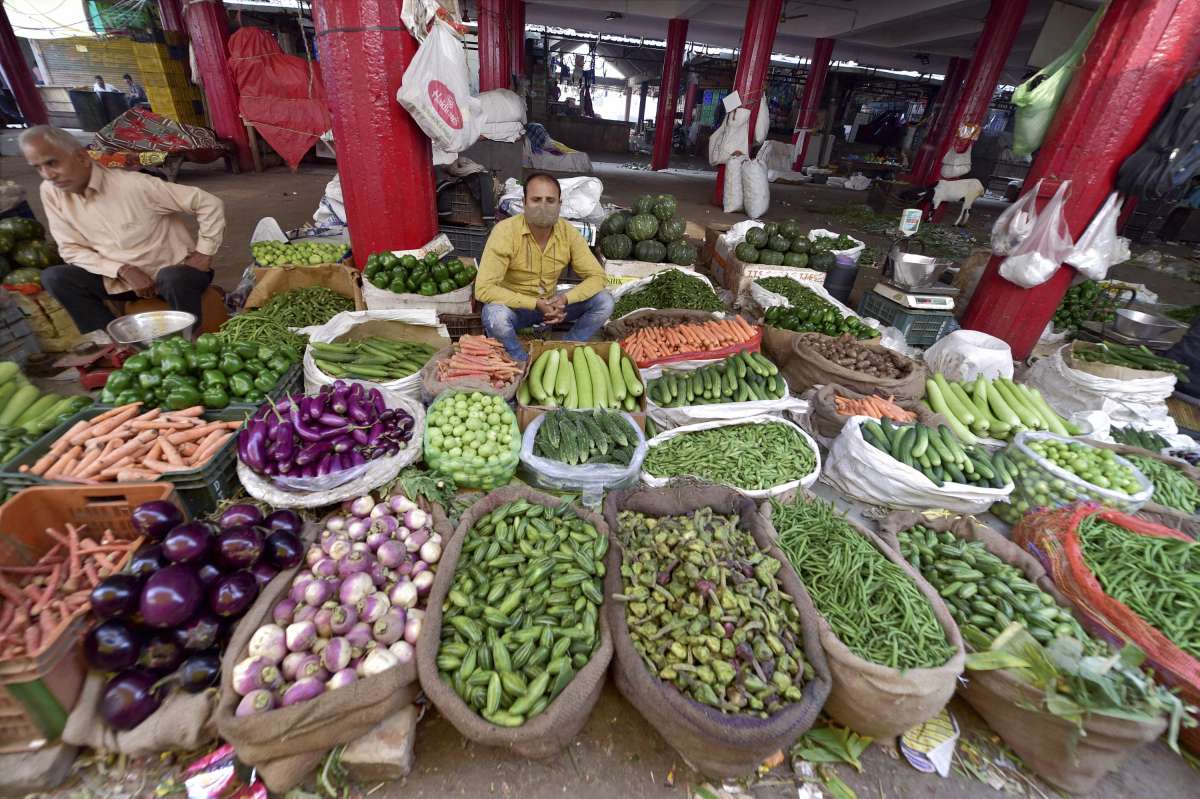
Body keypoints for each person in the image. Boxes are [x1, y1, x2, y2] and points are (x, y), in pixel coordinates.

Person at [19, 125, 224, 345]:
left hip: (176, 278)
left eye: (52, 163)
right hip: (122, 282)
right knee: (55, 277)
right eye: (38, 168)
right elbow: (70, 249)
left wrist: (204, 252)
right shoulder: (51, 191)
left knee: (174, 276)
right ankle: (121, 346)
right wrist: (123, 270)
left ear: (81, 157)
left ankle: (188, 342)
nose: (48, 175)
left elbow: (208, 203)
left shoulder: (134, 186)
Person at [475, 173, 612, 361]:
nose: (543, 207)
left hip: (553, 306)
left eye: (550, 200)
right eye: (536, 200)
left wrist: (564, 299)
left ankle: (565, 350)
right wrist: (535, 304)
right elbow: (483, 289)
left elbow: (598, 277)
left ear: (559, 204)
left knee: (604, 301)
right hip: (515, 309)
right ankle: (521, 360)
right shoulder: (505, 232)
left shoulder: (568, 233)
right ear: (524, 202)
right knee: (494, 316)